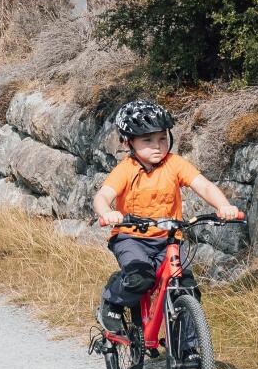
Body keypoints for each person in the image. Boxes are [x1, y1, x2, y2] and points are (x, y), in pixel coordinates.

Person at [92, 100, 240, 333]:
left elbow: (204, 186)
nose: (157, 146)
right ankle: (113, 300)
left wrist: (224, 205)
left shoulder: (175, 164)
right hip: (131, 238)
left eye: (162, 138)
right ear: (128, 142)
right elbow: (102, 197)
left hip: (168, 240)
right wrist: (108, 213)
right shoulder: (127, 168)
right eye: (147, 140)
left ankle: (188, 350)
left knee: (186, 287)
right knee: (140, 278)